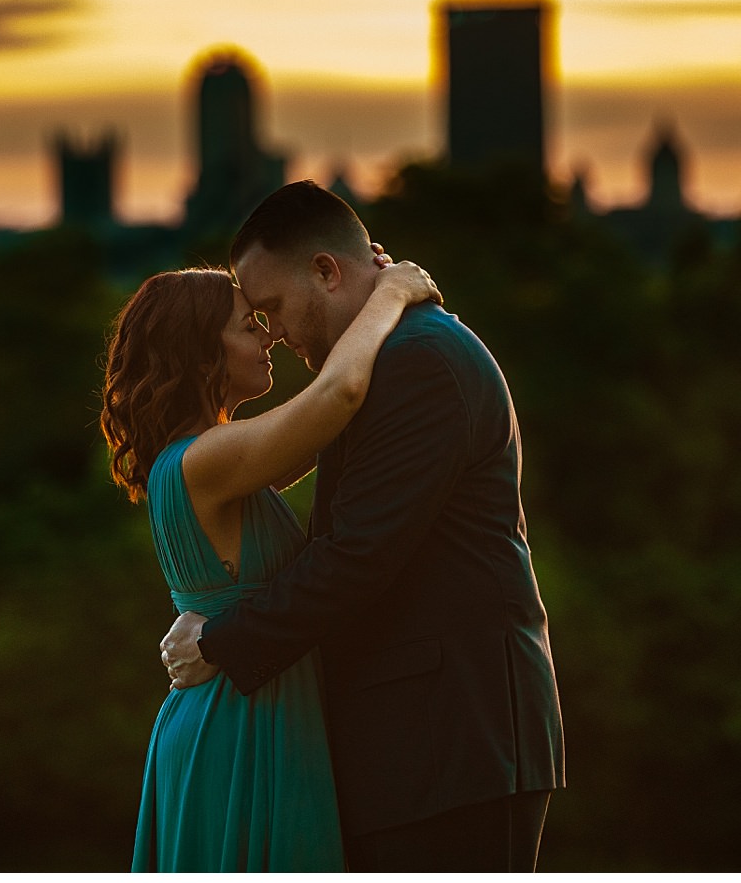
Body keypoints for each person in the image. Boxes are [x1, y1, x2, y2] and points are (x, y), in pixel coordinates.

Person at [159, 180, 566, 871]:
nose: (276, 334)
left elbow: (358, 555)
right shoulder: (385, 359)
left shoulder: (421, 362)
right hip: (416, 749)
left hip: (454, 744)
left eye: (274, 309)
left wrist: (223, 639)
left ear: (326, 270)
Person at [101, 251, 442, 871]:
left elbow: (327, 430)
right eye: (247, 324)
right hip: (239, 722)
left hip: (241, 705)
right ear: (203, 353)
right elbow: (339, 393)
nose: (269, 336)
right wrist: (389, 295)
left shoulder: (212, 460)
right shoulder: (206, 460)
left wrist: (354, 290)